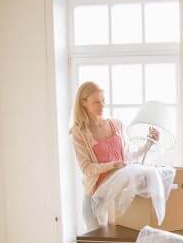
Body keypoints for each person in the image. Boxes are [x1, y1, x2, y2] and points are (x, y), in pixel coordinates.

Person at [71, 81, 168, 228]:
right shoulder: (80, 133)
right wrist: (113, 165)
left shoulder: (116, 124)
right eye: (96, 102)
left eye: (103, 101)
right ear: (83, 102)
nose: (102, 105)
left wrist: (149, 144)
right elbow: (86, 169)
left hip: (117, 201)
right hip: (95, 203)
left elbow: (127, 157)